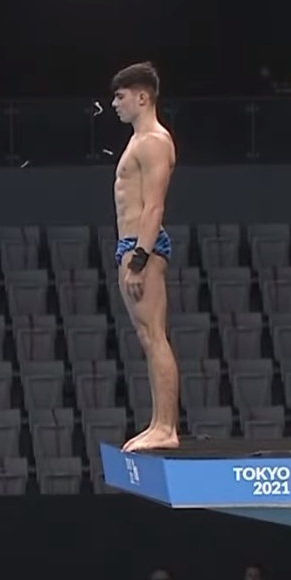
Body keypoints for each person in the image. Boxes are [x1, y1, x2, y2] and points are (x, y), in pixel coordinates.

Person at [110, 61, 180, 453]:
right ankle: (158, 423)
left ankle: (167, 427)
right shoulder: (138, 140)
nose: (114, 104)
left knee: (154, 336)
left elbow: (154, 206)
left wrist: (139, 259)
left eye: (120, 97)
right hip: (133, 244)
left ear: (142, 97)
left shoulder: (153, 141)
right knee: (146, 336)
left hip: (143, 246)